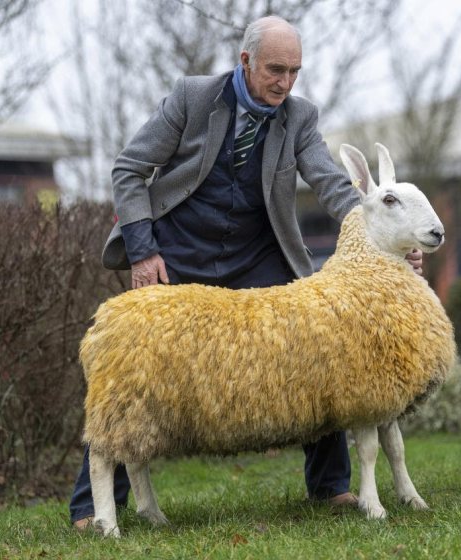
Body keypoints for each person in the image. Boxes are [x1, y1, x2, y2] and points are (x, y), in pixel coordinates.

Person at [70, 15, 424, 529]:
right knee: (137, 367)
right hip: (179, 251)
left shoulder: (299, 117)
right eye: (275, 69)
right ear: (245, 62)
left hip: (257, 255)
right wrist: (144, 251)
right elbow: (129, 168)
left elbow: (332, 184)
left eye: (294, 72)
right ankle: (91, 507)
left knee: (318, 346)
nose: (285, 82)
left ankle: (330, 487)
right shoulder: (193, 97)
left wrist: (383, 229)